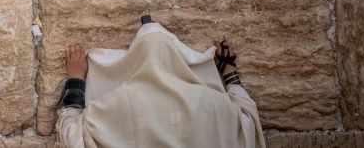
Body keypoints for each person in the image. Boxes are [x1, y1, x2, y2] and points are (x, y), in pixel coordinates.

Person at [55, 21, 266, 148]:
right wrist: (229, 72)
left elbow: (71, 134)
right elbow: (247, 124)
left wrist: (76, 79)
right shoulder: (213, 106)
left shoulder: (117, 105)